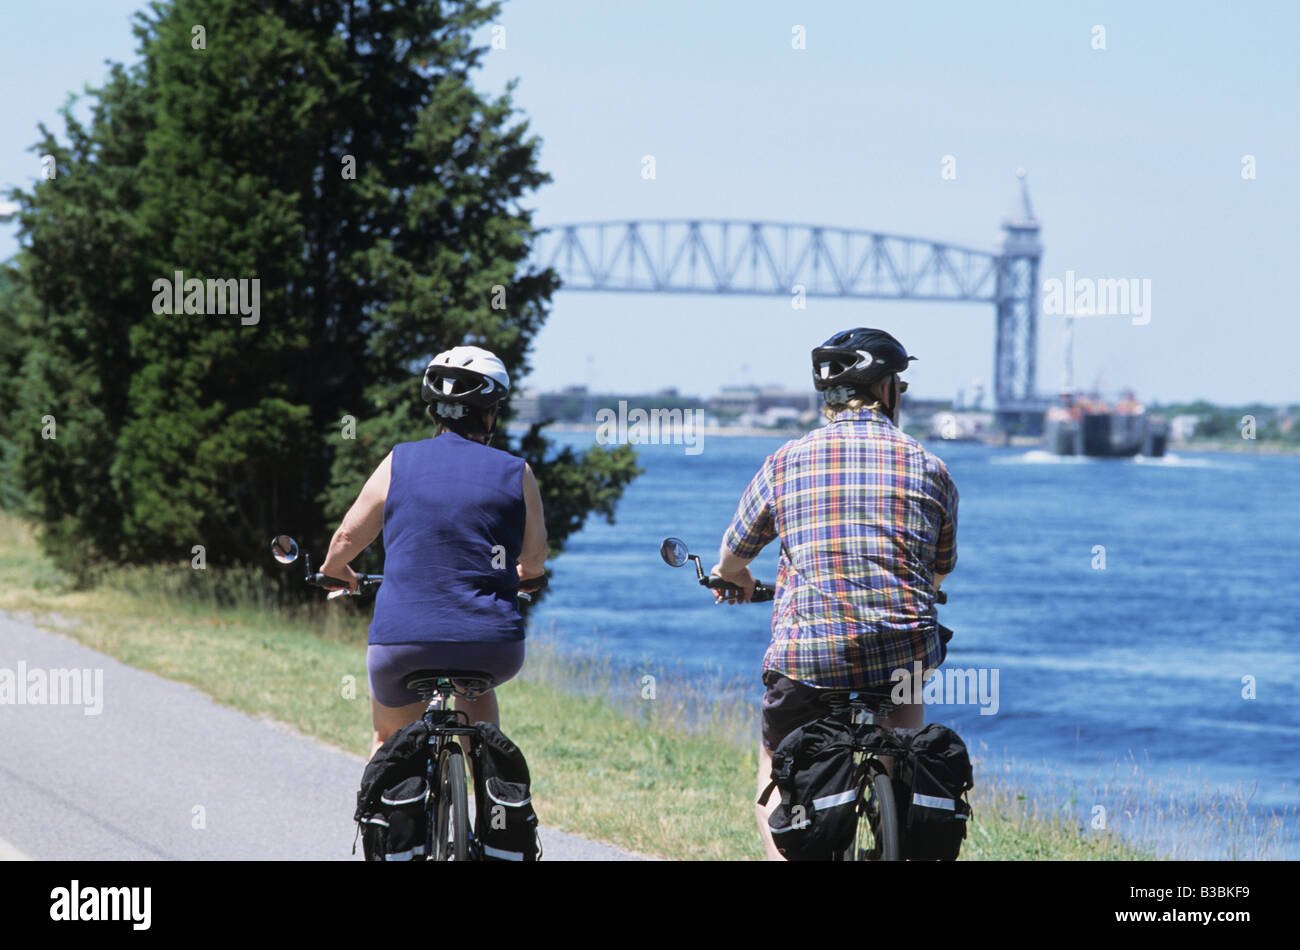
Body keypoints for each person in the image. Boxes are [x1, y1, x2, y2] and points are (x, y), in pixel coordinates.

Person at [709, 327, 958, 861]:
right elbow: (939, 573)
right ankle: (897, 787)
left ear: (829, 395)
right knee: (903, 713)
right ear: (888, 390)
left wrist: (735, 578)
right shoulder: (930, 468)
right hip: (901, 652)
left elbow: (733, 557)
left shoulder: (786, 462)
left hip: (810, 655)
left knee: (775, 759)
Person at [317, 345, 547, 757]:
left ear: (434, 411)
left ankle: (384, 815)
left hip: (402, 644)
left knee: (388, 739)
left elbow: (347, 539)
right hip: (492, 646)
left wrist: (337, 570)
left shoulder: (399, 461)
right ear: (490, 413)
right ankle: (487, 776)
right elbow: (532, 563)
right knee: (477, 690)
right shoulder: (518, 473)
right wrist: (522, 578)